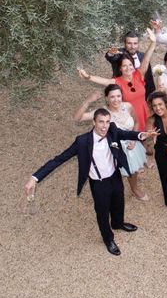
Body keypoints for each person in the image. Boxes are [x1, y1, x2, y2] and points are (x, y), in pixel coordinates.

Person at [24, 109, 158, 255]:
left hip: (115, 176)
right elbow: (58, 159)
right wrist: (35, 178)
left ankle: (118, 223)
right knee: (102, 211)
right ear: (94, 122)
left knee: (119, 202)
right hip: (99, 183)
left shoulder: (112, 130)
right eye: (101, 122)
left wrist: (140, 135)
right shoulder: (82, 142)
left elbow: (125, 134)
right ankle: (108, 239)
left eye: (107, 122)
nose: (104, 126)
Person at [74, 86, 149, 201]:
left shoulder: (128, 106)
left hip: (131, 144)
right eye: (112, 97)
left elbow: (136, 122)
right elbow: (78, 118)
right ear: (107, 98)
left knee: (132, 169)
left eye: (118, 96)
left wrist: (133, 140)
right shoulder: (102, 112)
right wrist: (88, 101)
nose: (116, 99)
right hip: (112, 147)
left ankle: (134, 189)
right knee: (112, 173)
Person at [79, 29, 156, 131]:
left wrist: (153, 42)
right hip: (129, 116)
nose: (128, 68)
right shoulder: (117, 81)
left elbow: (146, 58)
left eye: (130, 65)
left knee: (144, 139)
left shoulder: (138, 75)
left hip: (144, 112)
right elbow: (103, 80)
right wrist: (88, 77)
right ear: (120, 68)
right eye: (124, 66)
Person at [105, 31, 155, 99]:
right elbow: (111, 57)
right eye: (129, 43)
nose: (132, 46)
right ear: (124, 43)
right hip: (122, 96)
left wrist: (152, 94)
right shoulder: (119, 53)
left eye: (135, 43)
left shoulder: (143, 56)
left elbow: (149, 78)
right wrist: (111, 53)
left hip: (141, 95)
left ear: (138, 44)